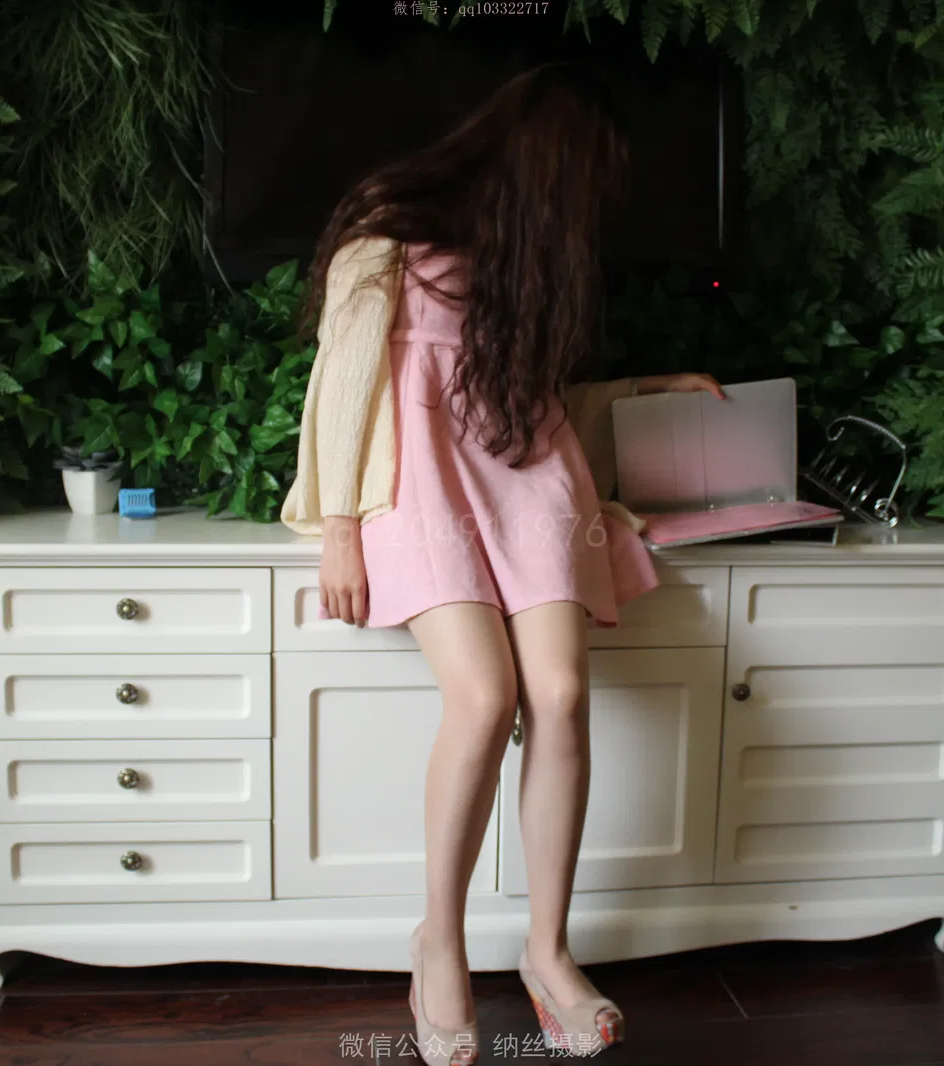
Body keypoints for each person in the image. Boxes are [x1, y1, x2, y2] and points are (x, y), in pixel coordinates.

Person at [281, 62, 722, 1064]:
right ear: (543, 165)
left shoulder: (531, 259)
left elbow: (536, 399)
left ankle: (546, 951)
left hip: (526, 476)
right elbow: (344, 377)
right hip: (414, 480)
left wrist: (653, 390)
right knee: (483, 697)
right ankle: (436, 941)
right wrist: (342, 524)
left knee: (560, 694)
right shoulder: (387, 227)